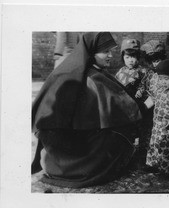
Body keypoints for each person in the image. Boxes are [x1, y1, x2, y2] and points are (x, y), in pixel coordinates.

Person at [31, 32, 144, 188]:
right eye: (106, 52)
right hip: (68, 145)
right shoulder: (89, 76)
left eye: (111, 51)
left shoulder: (92, 71)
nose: (111, 55)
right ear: (91, 52)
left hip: (71, 141)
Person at [138, 40, 167, 170]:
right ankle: (145, 157)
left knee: (158, 133)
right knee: (146, 130)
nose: (156, 63)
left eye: (159, 60)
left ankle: (158, 159)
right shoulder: (149, 73)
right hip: (148, 105)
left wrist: (149, 103)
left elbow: (165, 92)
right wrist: (140, 91)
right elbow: (143, 84)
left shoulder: (167, 73)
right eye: (153, 61)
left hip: (160, 107)